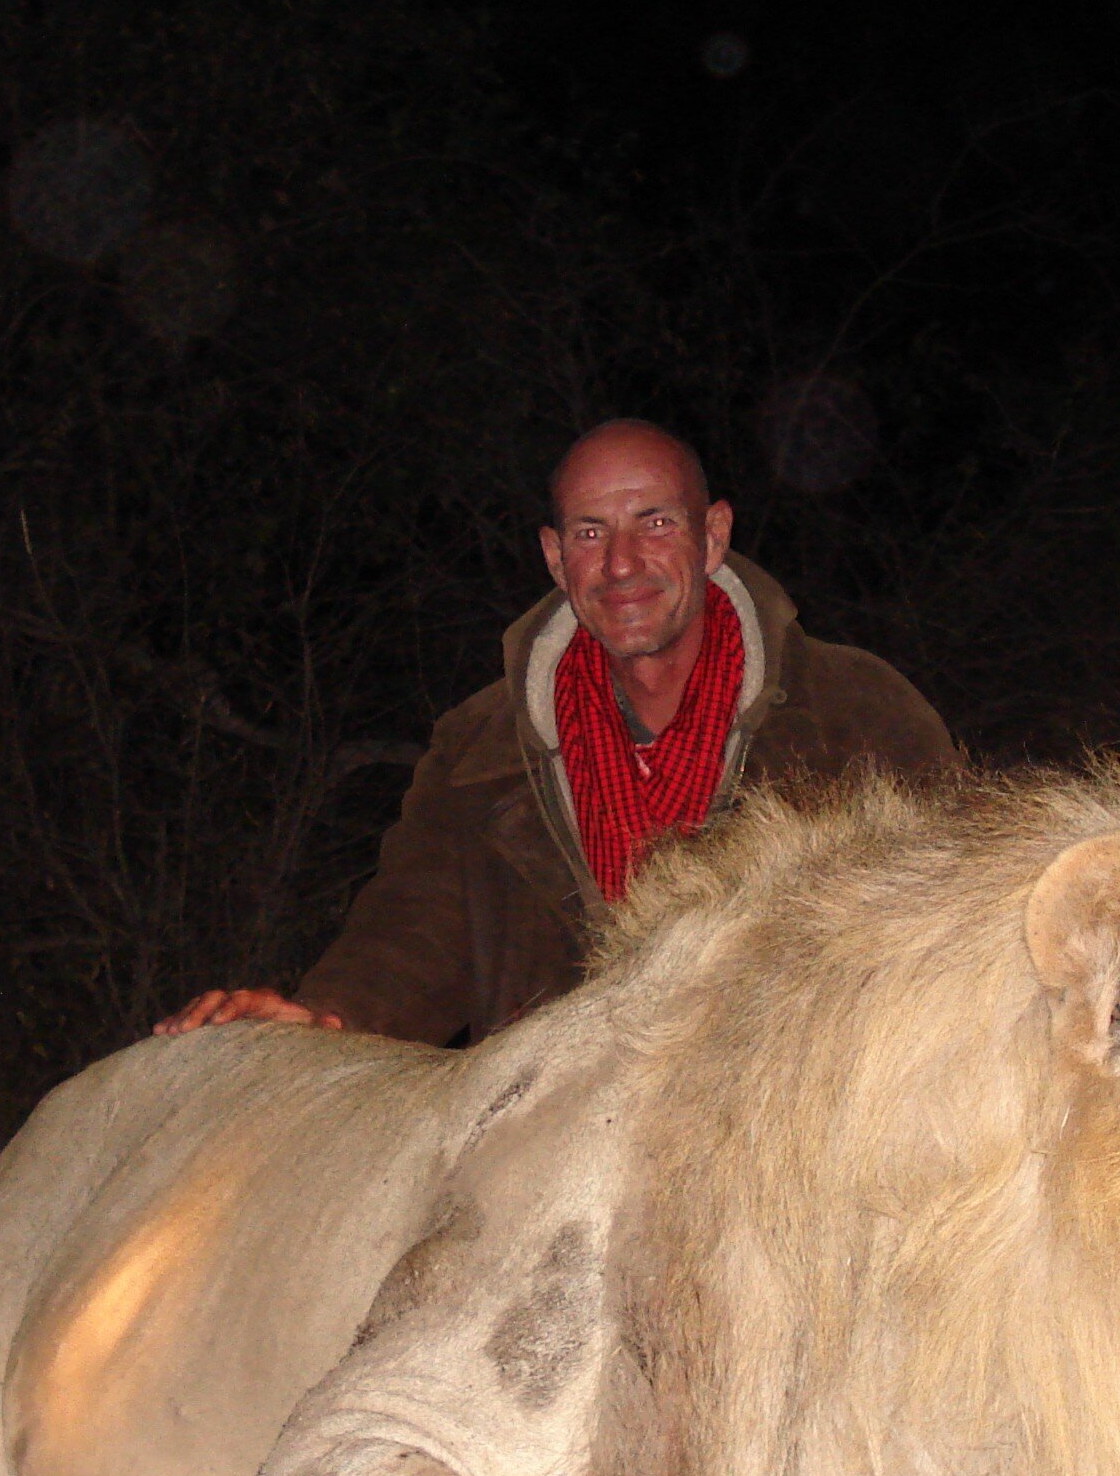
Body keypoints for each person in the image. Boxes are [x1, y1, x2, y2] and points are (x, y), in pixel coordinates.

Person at [157, 419, 958, 1046]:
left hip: (784, 1146)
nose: (620, 564)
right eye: (588, 532)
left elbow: (951, 932)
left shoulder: (859, 713)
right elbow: (413, 930)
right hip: (547, 1152)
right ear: (552, 556)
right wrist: (322, 1016)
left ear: (712, 535)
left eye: (653, 522)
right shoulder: (482, 746)